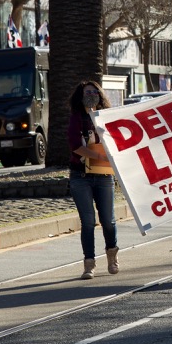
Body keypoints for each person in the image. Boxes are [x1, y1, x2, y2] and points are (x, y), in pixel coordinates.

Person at [67, 80, 119, 280]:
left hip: (104, 175)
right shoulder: (76, 119)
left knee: (108, 220)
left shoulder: (106, 118)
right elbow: (75, 146)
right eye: (87, 92)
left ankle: (112, 258)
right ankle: (89, 264)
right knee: (88, 222)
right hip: (81, 176)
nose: (91, 95)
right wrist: (99, 156)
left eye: (94, 91)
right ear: (80, 96)